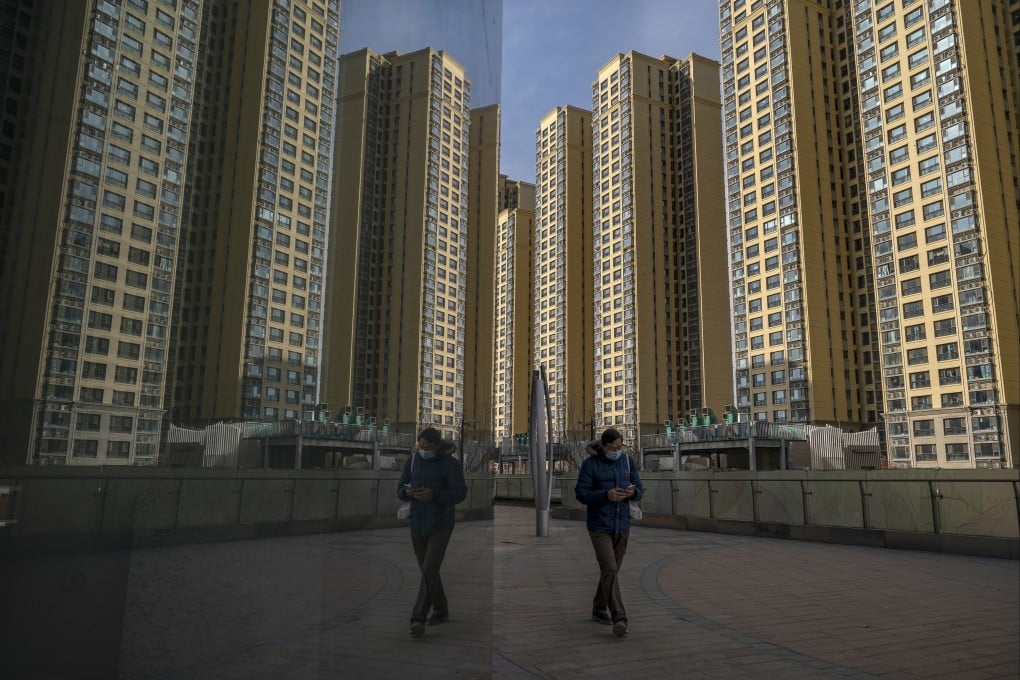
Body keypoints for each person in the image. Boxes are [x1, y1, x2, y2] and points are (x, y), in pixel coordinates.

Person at [397, 427, 467, 638]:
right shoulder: (414, 461)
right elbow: (400, 490)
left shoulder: (450, 465)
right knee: (429, 572)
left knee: (429, 568)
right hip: (417, 523)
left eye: (427, 448)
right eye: (420, 446)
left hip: (441, 524)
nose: (423, 450)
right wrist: (407, 492)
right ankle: (441, 609)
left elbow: (459, 493)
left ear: (437, 446)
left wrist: (433, 495)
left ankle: (417, 619)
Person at [574, 427, 644, 637]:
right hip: (599, 526)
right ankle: (620, 618)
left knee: (610, 571)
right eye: (613, 448)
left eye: (620, 447)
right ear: (604, 446)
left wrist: (632, 492)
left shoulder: (627, 461)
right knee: (610, 569)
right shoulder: (590, 465)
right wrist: (606, 495)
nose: (617, 451)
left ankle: (598, 608)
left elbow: (640, 489)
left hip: (622, 525)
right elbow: (581, 493)